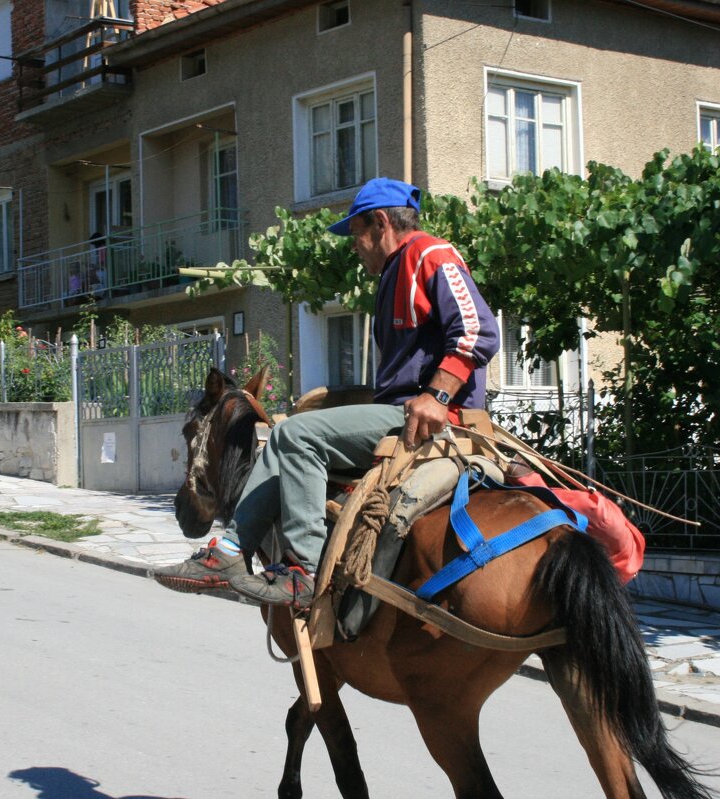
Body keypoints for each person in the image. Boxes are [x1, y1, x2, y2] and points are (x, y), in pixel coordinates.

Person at [154, 178, 500, 608]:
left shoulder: (430, 254)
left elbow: (477, 330)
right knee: (281, 447)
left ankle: (305, 569)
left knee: (295, 435)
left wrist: (438, 396)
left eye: (356, 233)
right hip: (400, 409)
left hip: (433, 416)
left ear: (380, 223)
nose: (353, 245)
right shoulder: (397, 271)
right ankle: (228, 552)